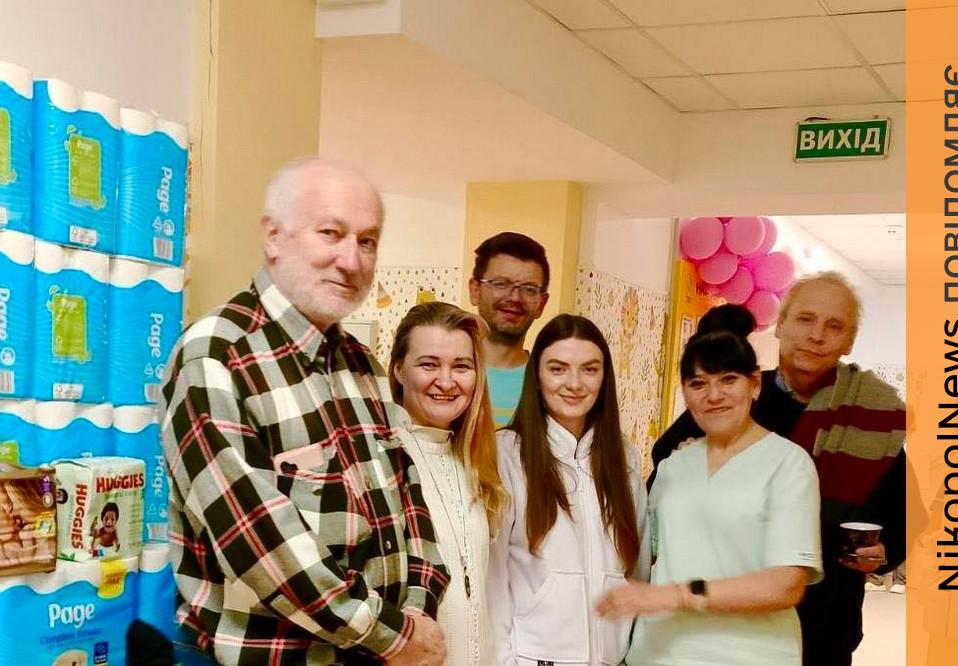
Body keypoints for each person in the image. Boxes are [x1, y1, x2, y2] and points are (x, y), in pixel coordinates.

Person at [159, 158, 450, 665]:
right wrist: (393, 638)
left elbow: (408, 502)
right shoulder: (216, 355)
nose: (351, 260)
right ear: (274, 237)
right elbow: (260, 543)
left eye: (367, 241)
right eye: (330, 233)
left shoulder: (362, 364)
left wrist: (418, 611)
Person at [649, 274, 907, 666]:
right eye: (805, 319)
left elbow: (903, 509)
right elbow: (661, 490)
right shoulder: (732, 398)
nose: (816, 335)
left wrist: (885, 551)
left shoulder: (873, 417)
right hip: (721, 629)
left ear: (849, 342)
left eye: (834, 326)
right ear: (781, 324)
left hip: (823, 625)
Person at [597, 305, 822, 666]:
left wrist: (676, 595)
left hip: (750, 656)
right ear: (685, 393)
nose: (713, 395)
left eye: (728, 380)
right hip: (659, 654)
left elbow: (786, 585)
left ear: (755, 383)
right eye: (698, 384)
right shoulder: (673, 467)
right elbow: (646, 555)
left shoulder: (788, 465)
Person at [487, 314, 645, 666]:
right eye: (557, 369)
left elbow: (636, 570)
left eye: (590, 369)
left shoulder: (625, 457)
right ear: (537, 376)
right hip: (532, 658)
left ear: (604, 377)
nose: (574, 383)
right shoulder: (506, 453)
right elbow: (493, 579)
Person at [388, 301, 508, 666]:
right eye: (429, 364)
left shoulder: (479, 462)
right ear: (398, 369)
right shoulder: (380, 457)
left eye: (461, 366)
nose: (446, 381)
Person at [468, 232, 550, 427]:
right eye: (501, 284)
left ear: (542, 303)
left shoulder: (549, 385)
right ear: (475, 290)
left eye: (529, 289)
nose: (514, 298)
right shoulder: (446, 377)